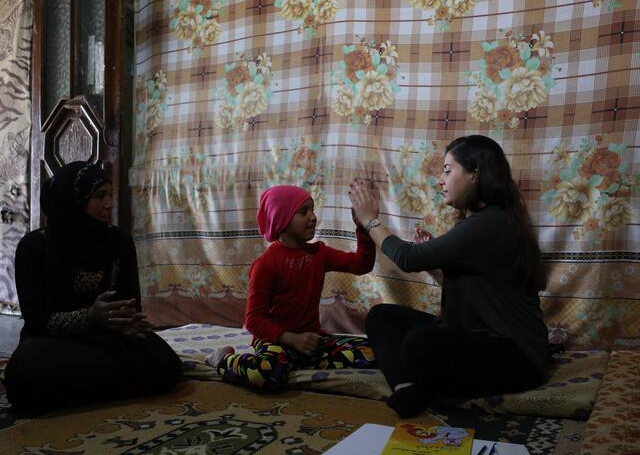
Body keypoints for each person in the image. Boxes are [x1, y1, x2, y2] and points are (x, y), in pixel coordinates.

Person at [349, 135, 552, 418]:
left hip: (519, 357)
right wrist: (437, 269)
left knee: (420, 344)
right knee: (381, 316)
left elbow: (408, 258)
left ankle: (425, 387)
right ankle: (407, 387)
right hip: (481, 337)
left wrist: (369, 220)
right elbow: (475, 291)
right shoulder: (484, 222)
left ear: (474, 175)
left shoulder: (491, 223)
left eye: (447, 170)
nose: (440, 180)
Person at [4, 161, 182, 415]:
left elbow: (128, 304)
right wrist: (89, 318)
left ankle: (70, 393)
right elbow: (36, 320)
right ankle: (109, 387)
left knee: (166, 363)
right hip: (53, 344)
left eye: (110, 194)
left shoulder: (119, 242)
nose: (109, 203)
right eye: (100, 196)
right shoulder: (34, 248)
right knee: (24, 370)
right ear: (74, 200)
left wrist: (129, 323)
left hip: (106, 341)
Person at [206, 185, 377, 388]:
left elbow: (361, 264)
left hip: (311, 340)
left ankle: (302, 361)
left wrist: (363, 228)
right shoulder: (265, 264)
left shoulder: (319, 254)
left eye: (312, 210)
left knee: (374, 351)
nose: (313, 217)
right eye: (303, 211)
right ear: (281, 219)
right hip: (275, 342)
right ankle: (223, 359)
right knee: (268, 373)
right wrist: (290, 339)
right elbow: (253, 320)